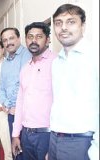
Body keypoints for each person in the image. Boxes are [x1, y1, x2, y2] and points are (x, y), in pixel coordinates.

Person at [48, 4, 99, 160]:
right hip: (56, 139)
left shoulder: (94, 57)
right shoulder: (57, 62)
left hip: (82, 141)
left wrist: (96, 152)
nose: (63, 27)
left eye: (71, 22)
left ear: (83, 26)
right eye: (58, 23)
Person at [11, 22, 56, 160]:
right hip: (26, 134)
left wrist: (56, 143)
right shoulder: (25, 68)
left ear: (47, 40)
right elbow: (20, 102)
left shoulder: (57, 63)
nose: (34, 41)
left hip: (48, 135)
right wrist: (15, 134)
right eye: (30, 37)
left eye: (39, 37)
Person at [0, 27, 32, 160]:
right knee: (16, 151)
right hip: (11, 114)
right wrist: (7, 104)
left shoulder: (27, 56)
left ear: (19, 38)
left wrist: (15, 106)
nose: (8, 42)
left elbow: (24, 85)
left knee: (26, 153)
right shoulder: (6, 62)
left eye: (11, 38)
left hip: (25, 114)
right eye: (5, 40)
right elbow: (0, 88)